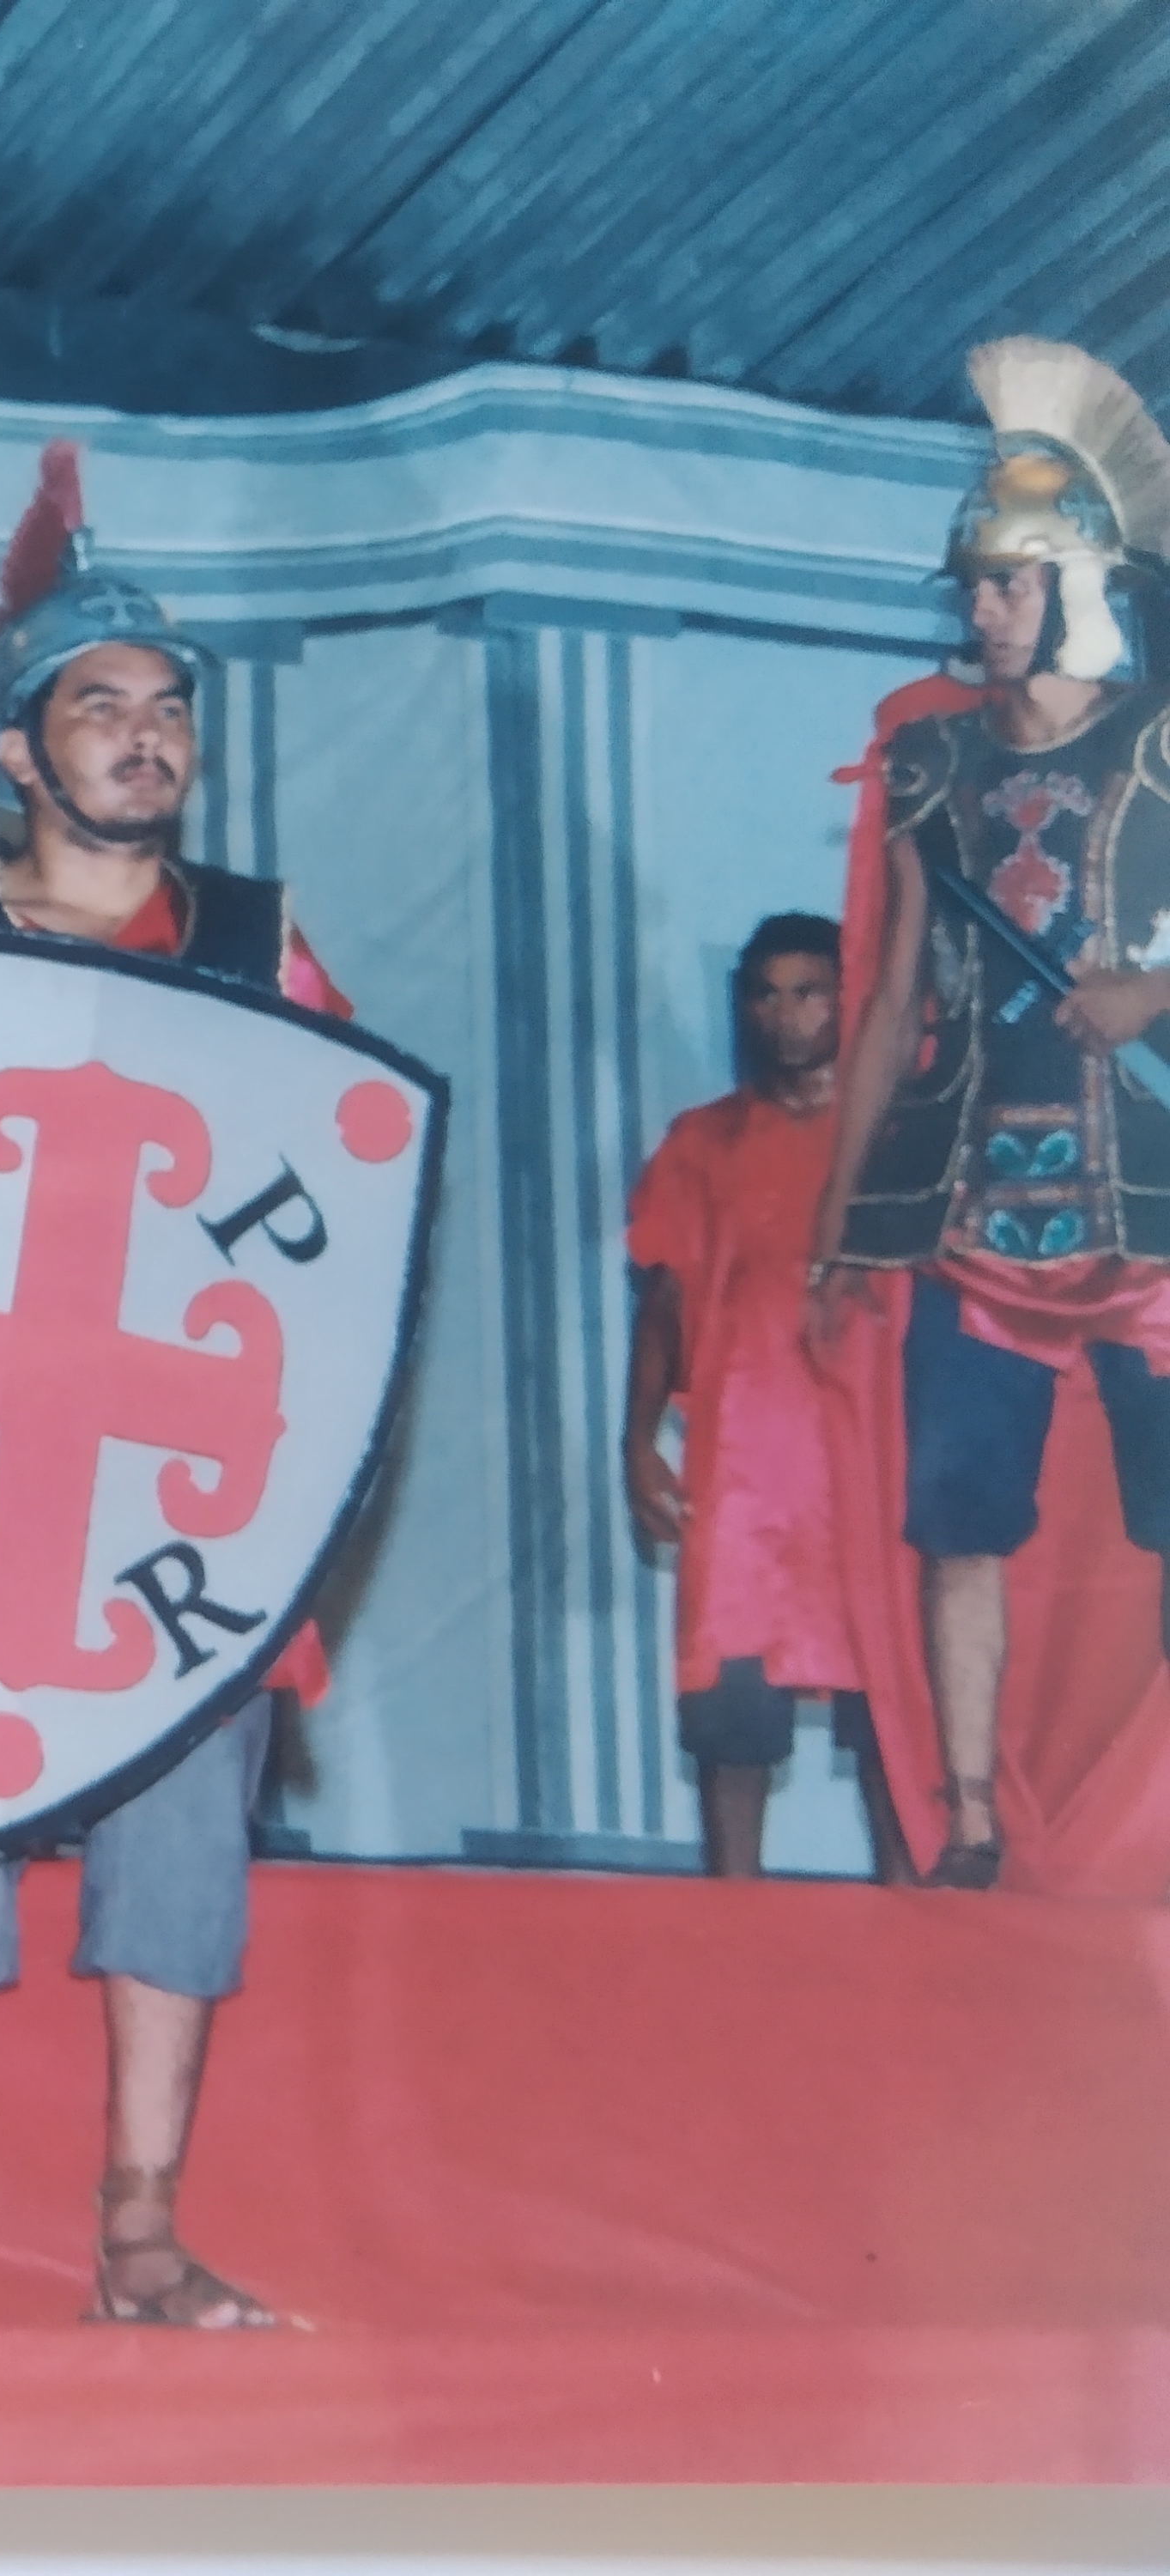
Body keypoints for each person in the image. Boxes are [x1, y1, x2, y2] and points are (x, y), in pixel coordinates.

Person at [0, 452, 329, 2326]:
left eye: (168, 707)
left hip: (172, 1462)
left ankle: (138, 2228)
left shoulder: (257, 948)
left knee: (183, 1840)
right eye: (100, 706)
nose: (145, 737)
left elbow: (331, 1212)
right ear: (16, 753)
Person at [809, 337, 1170, 1893]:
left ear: (1080, 583)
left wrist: (1151, 995)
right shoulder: (931, 761)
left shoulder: (1164, 738)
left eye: (1010, 584)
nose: (982, 613)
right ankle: (966, 1821)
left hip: (1154, 1208)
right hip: (973, 1212)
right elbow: (893, 994)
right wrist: (840, 1229)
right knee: (960, 1522)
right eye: (975, 586)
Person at [625, 916, 909, 1881]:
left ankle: (916, 1934)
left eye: (810, 992)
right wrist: (635, 1441)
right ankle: (734, 1934)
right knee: (730, 1726)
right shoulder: (701, 1143)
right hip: (744, 1478)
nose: (787, 1015)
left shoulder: (899, 1140)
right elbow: (664, 1301)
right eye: (768, 994)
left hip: (873, 1469)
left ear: (850, 999)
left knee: (893, 1724)